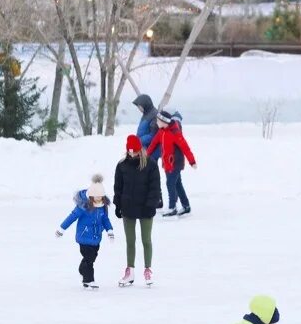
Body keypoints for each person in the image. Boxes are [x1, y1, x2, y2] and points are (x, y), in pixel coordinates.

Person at [114, 135, 162, 287]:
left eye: (134, 151)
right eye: (130, 151)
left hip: (145, 207)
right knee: (130, 241)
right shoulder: (122, 165)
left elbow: (155, 187)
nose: (132, 154)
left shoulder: (150, 164)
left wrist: (151, 205)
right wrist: (117, 205)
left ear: (140, 149)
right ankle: (130, 271)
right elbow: (118, 188)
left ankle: (147, 269)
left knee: (146, 240)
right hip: (128, 207)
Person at [56, 175, 114, 289]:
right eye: (96, 196)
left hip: (96, 238)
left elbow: (105, 219)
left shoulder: (103, 206)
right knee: (89, 259)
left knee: (92, 257)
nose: (98, 199)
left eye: (100, 196)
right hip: (84, 237)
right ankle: (88, 280)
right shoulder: (83, 206)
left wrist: (109, 230)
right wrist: (61, 229)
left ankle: (82, 270)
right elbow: (71, 217)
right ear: (91, 195)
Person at [147, 109, 197, 217]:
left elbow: (185, 147)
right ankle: (186, 206)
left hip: (175, 163)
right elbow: (153, 144)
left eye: (158, 121)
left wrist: (192, 161)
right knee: (177, 184)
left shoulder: (175, 132)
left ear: (164, 122)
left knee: (170, 184)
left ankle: (172, 207)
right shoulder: (161, 132)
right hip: (167, 164)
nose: (156, 122)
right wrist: (146, 155)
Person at [133, 93, 160, 160]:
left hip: (150, 150)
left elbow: (153, 135)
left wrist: (139, 140)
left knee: (150, 169)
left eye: (140, 106)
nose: (138, 108)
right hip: (143, 147)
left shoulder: (154, 115)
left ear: (145, 104)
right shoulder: (146, 113)